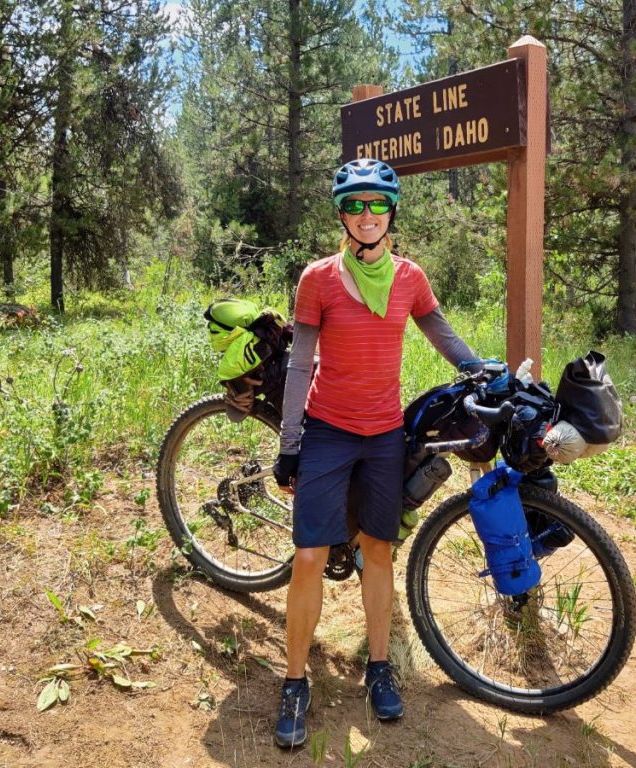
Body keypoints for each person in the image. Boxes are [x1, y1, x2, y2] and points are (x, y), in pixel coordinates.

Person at [270, 159, 480, 748]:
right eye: (356, 206)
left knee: (377, 551)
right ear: (342, 213)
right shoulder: (318, 278)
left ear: (391, 212)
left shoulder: (410, 278)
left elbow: (440, 332)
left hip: (384, 433)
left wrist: (478, 367)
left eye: (377, 205)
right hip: (330, 431)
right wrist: (291, 444)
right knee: (310, 555)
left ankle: (380, 666)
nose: (367, 216)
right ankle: (294, 680)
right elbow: (301, 363)